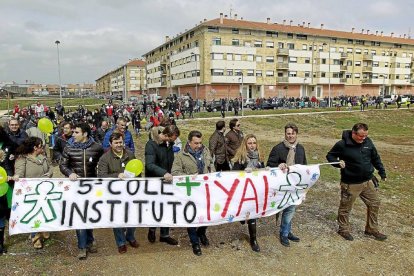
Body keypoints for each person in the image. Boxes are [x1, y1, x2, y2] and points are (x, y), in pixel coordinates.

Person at [326, 123, 387, 241]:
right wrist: (337, 163)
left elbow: (375, 158)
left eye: (365, 136)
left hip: (367, 181)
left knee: (374, 203)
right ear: (353, 133)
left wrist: (382, 172)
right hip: (351, 183)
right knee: (346, 207)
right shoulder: (342, 144)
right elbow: (330, 156)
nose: (363, 138)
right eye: (361, 136)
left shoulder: (368, 142)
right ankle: (343, 229)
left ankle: (371, 229)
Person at [59, 122, 104, 260]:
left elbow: (102, 164)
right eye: (73, 132)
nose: (73, 135)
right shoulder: (68, 147)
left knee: (89, 214)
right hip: (76, 188)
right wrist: (69, 173)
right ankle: (82, 247)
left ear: (85, 134)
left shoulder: (97, 147)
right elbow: (63, 165)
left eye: (76, 132)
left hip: (92, 188)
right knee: (79, 216)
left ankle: (90, 240)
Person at [171, 130, 215, 256]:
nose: (199, 145)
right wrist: (189, 177)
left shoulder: (205, 151)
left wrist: (213, 173)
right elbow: (175, 172)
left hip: (205, 190)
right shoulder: (180, 155)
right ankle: (195, 242)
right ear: (189, 142)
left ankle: (201, 232)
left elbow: (211, 164)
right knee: (191, 217)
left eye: (200, 142)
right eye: (196, 143)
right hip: (190, 192)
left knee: (207, 214)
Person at [97, 132, 138, 254]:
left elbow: (137, 170)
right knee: (117, 218)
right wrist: (117, 175)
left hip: (130, 192)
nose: (119, 145)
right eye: (116, 143)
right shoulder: (104, 158)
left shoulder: (130, 154)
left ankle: (130, 236)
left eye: (121, 142)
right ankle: (121, 242)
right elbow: (101, 176)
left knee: (133, 216)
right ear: (110, 144)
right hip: (113, 194)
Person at [267, 123, 307, 247]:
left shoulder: (300, 149)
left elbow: (304, 166)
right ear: (285, 134)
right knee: (287, 209)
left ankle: (286, 232)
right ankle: (284, 233)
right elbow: (269, 165)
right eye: (288, 134)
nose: (290, 136)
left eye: (293, 133)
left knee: (291, 209)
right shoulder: (278, 148)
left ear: (296, 134)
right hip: (282, 185)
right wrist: (278, 166)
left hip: (296, 185)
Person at [13, 137, 53, 249]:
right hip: (30, 193)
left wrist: (49, 174)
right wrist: (16, 177)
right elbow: (19, 173)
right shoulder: (22, 159)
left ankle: (43, 229)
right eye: (41, 146)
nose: (43, 147)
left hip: (45, 191)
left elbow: (50, 168)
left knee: (44, 212)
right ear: (35, 147)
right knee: (34, 214)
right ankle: (35, 238)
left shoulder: (43, 157)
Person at [145, 125, 181, 246]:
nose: (174, 141)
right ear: (167, 136)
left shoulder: (168, 144)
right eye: (173, 138)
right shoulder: (151, 144)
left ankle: (165, 235)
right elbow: (149, 164)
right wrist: (163, 173)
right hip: (155, 181)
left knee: (167, 207)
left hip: (168, 180)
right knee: (155, 207)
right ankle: (152, 229)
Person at [231, 134, 264, 252]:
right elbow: (233, 174)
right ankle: (241, 217)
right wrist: (243, 173)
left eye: (254, 143)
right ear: (245, 144)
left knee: (252, 215)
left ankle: (253, 239)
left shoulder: (260, 157)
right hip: (243, 192)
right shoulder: (241, 157)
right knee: (243, 212)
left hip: (255, 191)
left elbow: (263, 172)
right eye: (249, 143)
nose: (252, 145)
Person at [0, 126, 18, 254]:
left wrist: (14, 156)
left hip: (7, 183)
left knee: (7, 209)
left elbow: (20, 152)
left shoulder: (8, 144)